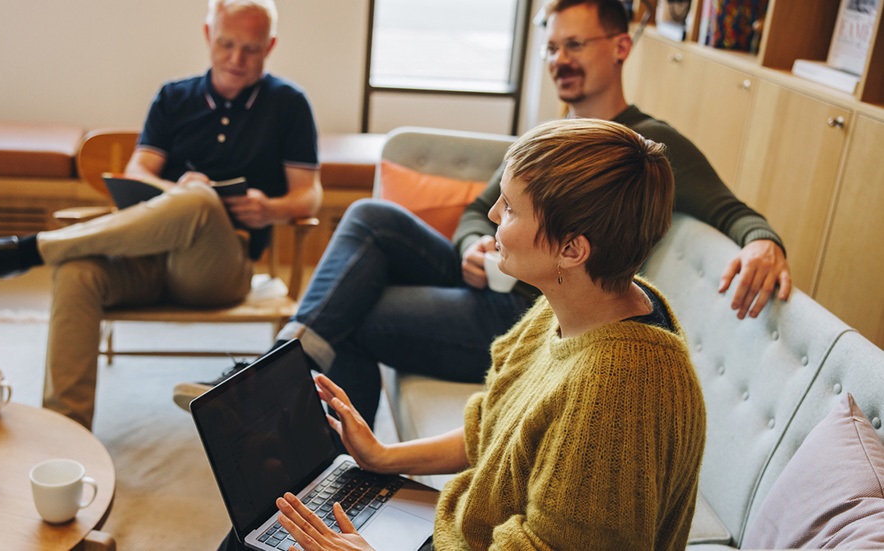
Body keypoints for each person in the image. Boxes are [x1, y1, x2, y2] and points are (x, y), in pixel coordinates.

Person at [173, 0, 790, 428]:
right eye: (552, 47)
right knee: (368, 216)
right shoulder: (548, 136)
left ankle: (307, 436)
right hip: (490, 278)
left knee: (349, 316)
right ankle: (280, 370)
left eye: (576, 44)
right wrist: (473, 243)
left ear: (621, 46)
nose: (560, 59)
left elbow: (737, 213)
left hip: (525, 313)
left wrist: (762, 242)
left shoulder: (645, 146)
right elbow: (477, 211)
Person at [266, 118, 707, 550]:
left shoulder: (616, 397)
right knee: (277, 518)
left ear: (572, 250)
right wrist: (383, 455)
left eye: (511, 208)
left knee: (276, 533)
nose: (493, 214)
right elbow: (494, 426)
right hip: (457, 529)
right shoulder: (577, 303)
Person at [0, 0, 321, 430]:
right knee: (76, 272)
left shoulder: (289, 104)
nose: (236, 59)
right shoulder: (174, 96)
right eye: (226, 44)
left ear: (270, 45)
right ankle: (64, 432)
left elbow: (309, 196)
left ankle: (30, 249)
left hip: (218, 270)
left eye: (250, 49)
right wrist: (178, 190)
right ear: (206, 35)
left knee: (200, 203)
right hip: (147, 258)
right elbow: (139, 171)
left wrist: (269, 208)